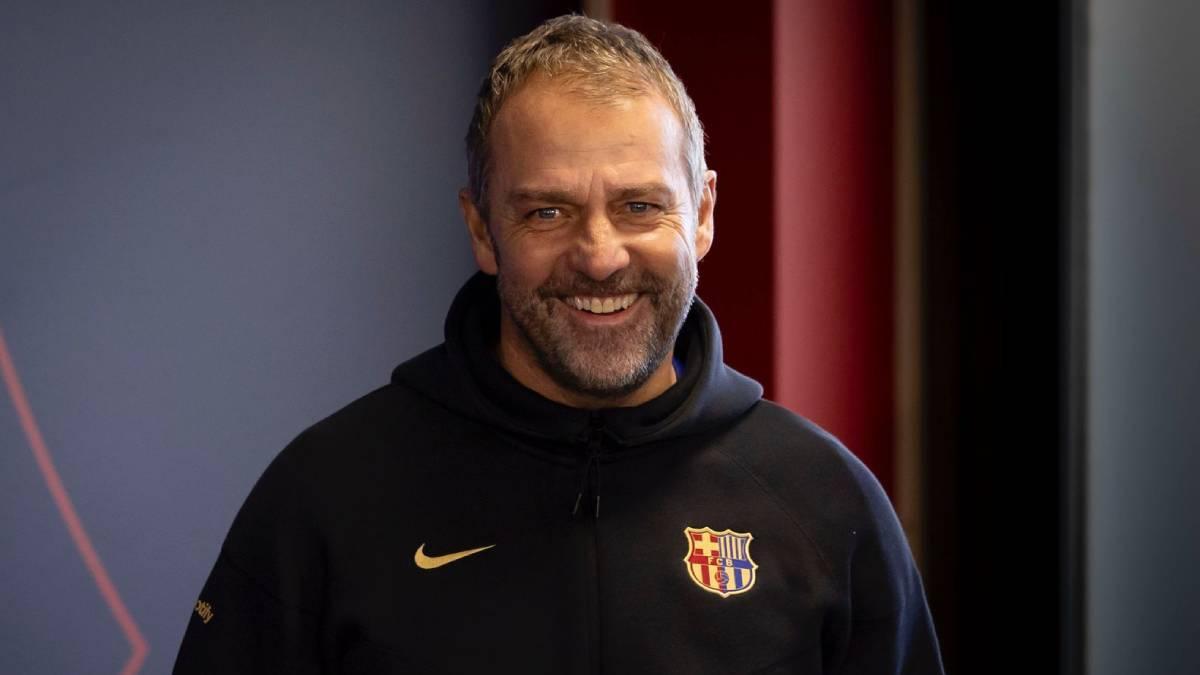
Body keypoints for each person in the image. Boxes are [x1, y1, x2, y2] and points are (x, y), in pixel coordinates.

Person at [174, 15, 943, 674]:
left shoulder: (825, 504)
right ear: (482, 229)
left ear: (703, 213)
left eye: (640, 206)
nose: (600, 255)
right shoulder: (327, 498)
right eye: (548, 212)